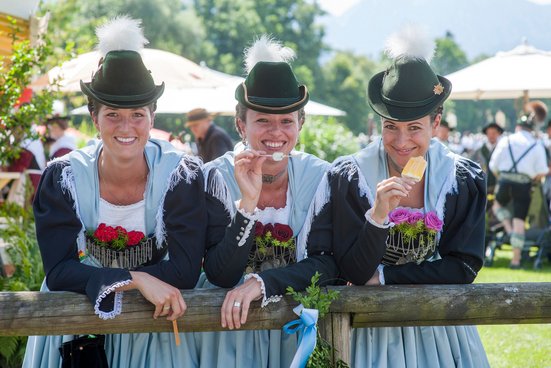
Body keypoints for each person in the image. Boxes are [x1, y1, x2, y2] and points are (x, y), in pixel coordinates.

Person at [23, 16, 206, 367]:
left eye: (137, 114)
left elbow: (184, 271)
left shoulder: (179, 175)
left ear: (153, 116)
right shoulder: (64, 177)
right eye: (113, 115)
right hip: (77, 320)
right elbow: (59, 272)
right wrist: (136, 278)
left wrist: (116, 281)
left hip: (150, 324)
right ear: (94, 118)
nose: (126, 127)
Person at [313, 26, 489, 366]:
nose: (401, 141)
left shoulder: (461, 177)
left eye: (414, 128)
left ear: (435, 123)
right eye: (390, 126)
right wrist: (377, 216)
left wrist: (386, 276)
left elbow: (464, 266)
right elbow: (351, 269)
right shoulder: (351, 176)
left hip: (440, 329)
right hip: (367, 330)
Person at [186, 35, 339, 367]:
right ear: (242, 125)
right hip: (228, 332)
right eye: (263, 121)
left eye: (287, 121)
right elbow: (220, 274)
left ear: (301, 123)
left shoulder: (321, 178)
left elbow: (328, 263)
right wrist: (248, 205)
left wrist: (262, 283)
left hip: (297, 330)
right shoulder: (214, 179)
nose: (276, 132)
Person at [489, 113, 548, 269]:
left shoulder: (506, 140)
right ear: (531, 129)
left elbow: (493, 165)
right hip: (523, 185)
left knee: (497, 205)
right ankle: (515, 260)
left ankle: (508, 230)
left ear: (517, 127)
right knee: (519, 223)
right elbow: (542, 170)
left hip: (504, 181)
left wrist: (502, 177)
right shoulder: (536, 144)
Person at [473, 122, 504, 194]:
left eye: (494, 133)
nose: (491, 136)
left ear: (498, 134)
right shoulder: (479, 151)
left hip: (498, 186)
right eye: (489, 133)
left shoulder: (502, 150)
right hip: (482, 187)